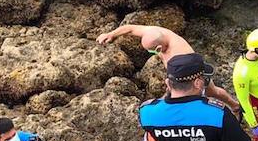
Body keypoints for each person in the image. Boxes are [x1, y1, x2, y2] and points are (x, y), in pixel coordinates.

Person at [98, 22, 239, 111]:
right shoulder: (153, 32)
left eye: (155, 50)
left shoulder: (179, 52)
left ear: (161, 45)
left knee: (212, 92)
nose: (154, 53)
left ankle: (235, 106)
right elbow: (130, 28)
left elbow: (184, 82)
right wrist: (111, 34)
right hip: (179, 71)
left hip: (193, 72)